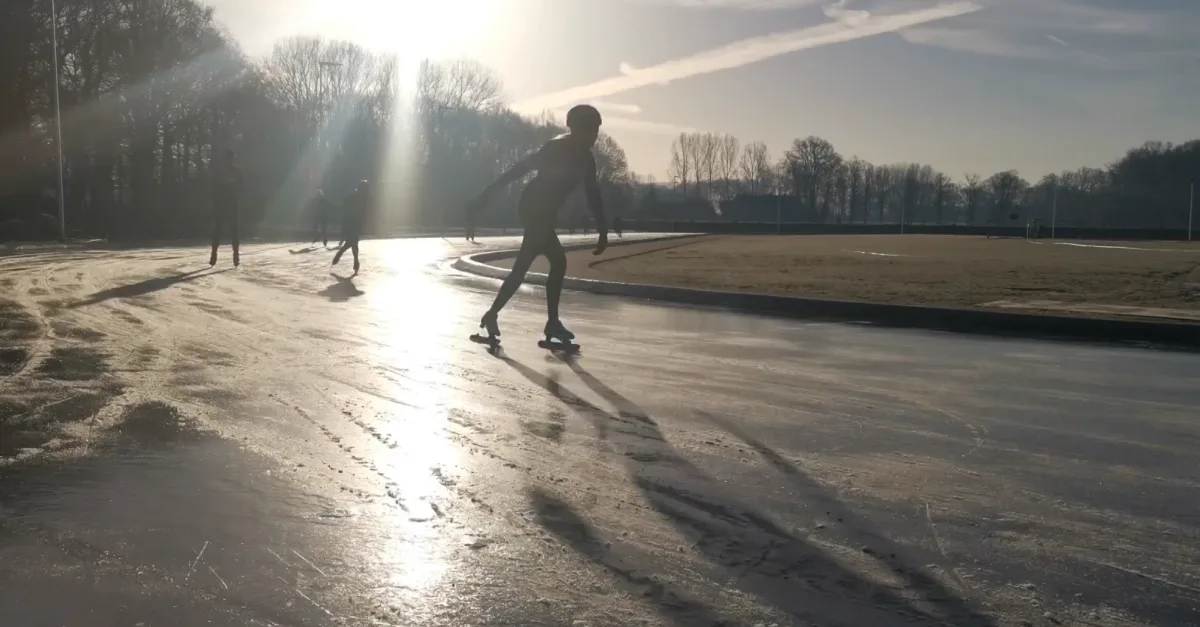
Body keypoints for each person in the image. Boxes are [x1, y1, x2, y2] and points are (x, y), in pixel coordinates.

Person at [465, 104, 608, 343]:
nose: (594, 136)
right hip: (532, 208)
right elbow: (516, 171)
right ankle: (549, 323)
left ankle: (493, 315)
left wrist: (603, 229)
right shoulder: (556, 148)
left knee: (529, 267)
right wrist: (484, 198)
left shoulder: (586, 159)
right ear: (575, 129)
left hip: (546, 213)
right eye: (590, 130)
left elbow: (594, 195)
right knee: (554, 262)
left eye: (596, 131)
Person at [210, 149, 244, 267]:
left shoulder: (234, 172)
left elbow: (242, 187)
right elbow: (213, 188)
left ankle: (233, 254)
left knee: (227, 230)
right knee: (222, 230)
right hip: (224, 204)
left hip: (228, 204)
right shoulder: (225, 172)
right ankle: (216, 253)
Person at [332, 180, 369, 274]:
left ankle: (342, 255)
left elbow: (364, 211)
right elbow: (346, 206)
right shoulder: (354, 197)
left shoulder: (362, 197)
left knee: (351, 242)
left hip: (356, 222)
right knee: (353, 241)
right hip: (351, 222)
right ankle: (355, 261)